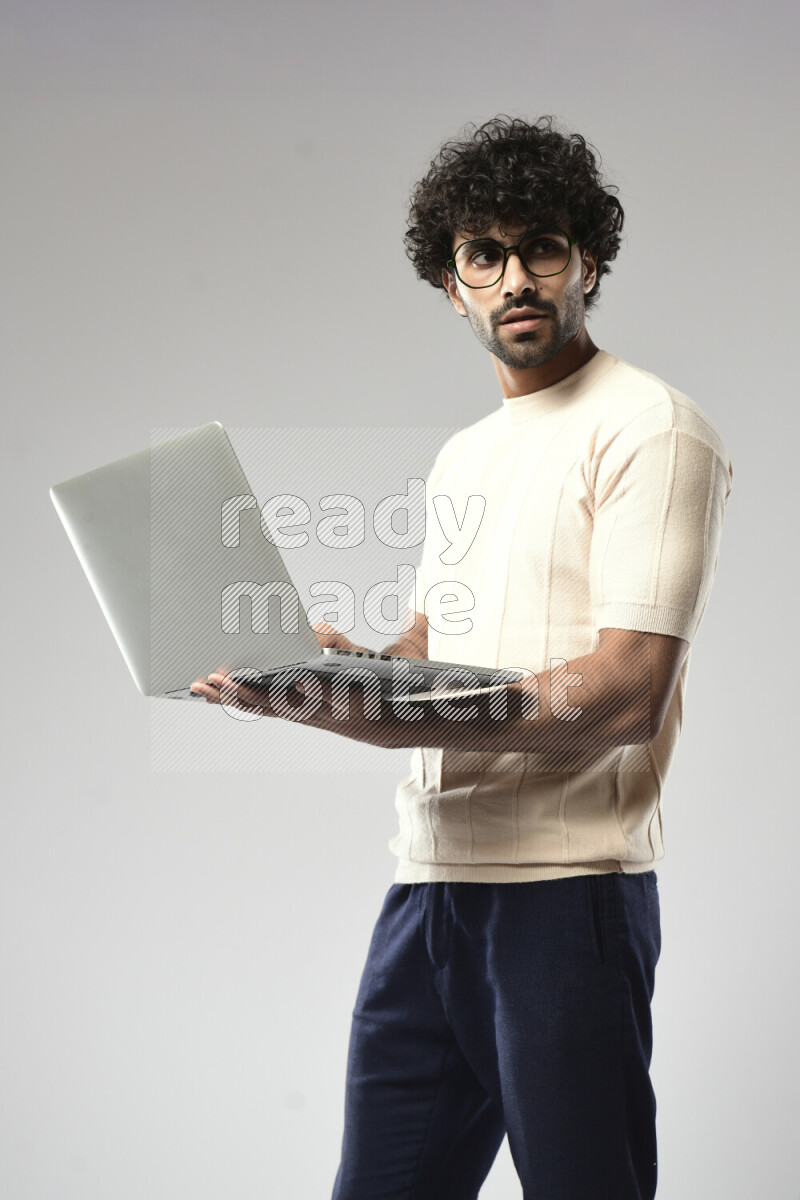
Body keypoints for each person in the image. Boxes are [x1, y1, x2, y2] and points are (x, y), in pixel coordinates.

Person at [192, 114, 733, 1199]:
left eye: (542, 248)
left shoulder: (651, 427)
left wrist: (388, 708)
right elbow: (432, 649)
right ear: (452, 286)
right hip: (428, 890)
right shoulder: (466, 456)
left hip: (563, 898)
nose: (514, 278)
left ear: (587, 262)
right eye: (483, 255)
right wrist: (328, 672)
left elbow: (627, 692)